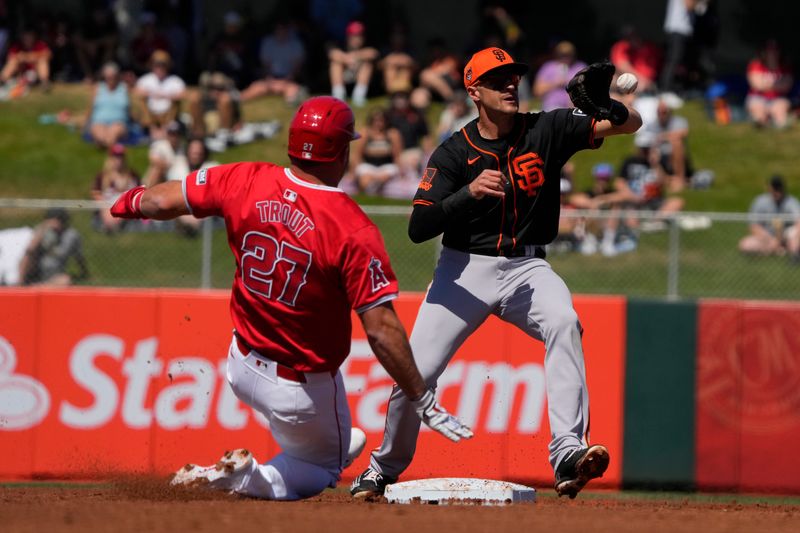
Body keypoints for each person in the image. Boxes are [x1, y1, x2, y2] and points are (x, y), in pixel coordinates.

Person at [109, 96, 472, 500]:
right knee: (323, 467)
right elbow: (382, 331)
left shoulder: (245, 177)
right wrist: (420, 396)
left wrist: (129, 202)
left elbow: (159, 200)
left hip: (241, 363)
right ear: (341, 150)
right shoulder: (351, 226)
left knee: (341, 439)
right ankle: (234, 477)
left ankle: (298, 449)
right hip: (299, 387)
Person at [350, 47, 642, 500]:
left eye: (513, 77)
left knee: (564, 322)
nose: (510, 85)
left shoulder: (545, 127)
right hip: (463, 269)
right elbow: (417, 227)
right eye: (497, 79)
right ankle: (382, 468)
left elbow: (629, 125)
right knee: (416, 373)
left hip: (527, 267)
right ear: (474, 91)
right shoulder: (453, 153)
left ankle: (567, 451)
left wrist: (613, 107)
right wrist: (467, 195)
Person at [241, 21, 307, 105]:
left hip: (289, 80)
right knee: (255, 88)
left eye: (283, 29)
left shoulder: (296, 44)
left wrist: (286, 81)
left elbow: (297, 67)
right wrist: (270, 79)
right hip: (271, 79)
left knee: (293, 96)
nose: (281, 31)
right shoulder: (268, 42)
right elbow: (265, 65)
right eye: (279, 29)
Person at [19, 208, 88, 286]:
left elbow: (79, 257)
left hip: (55, 274)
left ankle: (36, 287)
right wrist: (41, 233)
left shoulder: (71, 235)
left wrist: (84, 272)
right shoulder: (41, 231)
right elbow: (30, 250)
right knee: (27, 257)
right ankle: (20, 284)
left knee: (65, 280)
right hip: (36, 271)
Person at [738, 175, 800, 261]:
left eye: (779, 189)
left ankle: (794, 254)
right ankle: (779, 251)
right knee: (745, 244)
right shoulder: (760, 201)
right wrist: (771, 240)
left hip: (786, 236)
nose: (777, 192)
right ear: (769, 188)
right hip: (768, 237)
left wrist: (789, 238)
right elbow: (754, 226)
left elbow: (798, 221)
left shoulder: (791, 201)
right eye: (774, 189)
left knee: (795, 233)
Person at [134, 50, 186, 139]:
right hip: (150, 114)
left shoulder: (175, 80)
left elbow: (183, 94)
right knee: (141, 101)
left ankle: (164, 131)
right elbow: (136, 92)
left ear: (168, 66)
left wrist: (165, 96)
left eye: (163, 65)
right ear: (152, 65)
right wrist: (152, 94)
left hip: (168, 113)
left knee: (175, 103)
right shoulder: (146, 79)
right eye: (157, 65)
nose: (160, 68)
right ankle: (153, 130)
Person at [91, 143, 141, 233]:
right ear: (111, 158)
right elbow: (96, 193)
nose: (119, 160)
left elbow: (140, 194)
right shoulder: (103, 176)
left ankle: (115, 226)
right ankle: (110, 226)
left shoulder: (133, 175)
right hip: (108, 206)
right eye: (116, 156)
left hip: (127, 206)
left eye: (121, 156)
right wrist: (105, 208)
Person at [351, 108, 402, 195]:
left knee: (385, 176)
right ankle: (370, 191)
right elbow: (357, 154)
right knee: (365, 180)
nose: (378, 123)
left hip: (387, 166)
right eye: (375, 120)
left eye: (381, 120)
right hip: (368, 166)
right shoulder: (365, 133)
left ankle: (376, 190)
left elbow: (397, 155)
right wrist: (354, 172)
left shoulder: (392, 134)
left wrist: (400, 171)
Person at [328, 21, 378, 107]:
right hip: (344, 76)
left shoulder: (368, 45)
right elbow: (332, 54)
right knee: (335, 64)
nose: (356, 39)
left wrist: (355, 56)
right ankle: (338, 96)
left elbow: (373, 53)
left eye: (359, 36)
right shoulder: (341, 46)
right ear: (348, 37)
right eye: (353, 36)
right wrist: (347, 59)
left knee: (367, 65)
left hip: (360, 78)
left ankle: (359, 97)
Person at [746, 40, 793, 129]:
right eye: (769, 51)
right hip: (757, 97)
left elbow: (787, 86)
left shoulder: (785, 66)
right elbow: (756, 85)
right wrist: (776, 85)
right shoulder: (756, 65)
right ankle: (760, 122)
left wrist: (766, 84)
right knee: (758, 109)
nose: (772, 54)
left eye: (775, 51)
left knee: (780, 109)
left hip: (778, 98)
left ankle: (780, 125)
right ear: (764, 52)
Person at [532, 41, 586, 112]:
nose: (565, 57)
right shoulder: (548, 67)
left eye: (568, 54)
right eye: (562, 54)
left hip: (573, 109)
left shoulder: (580, 67)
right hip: (551, 108)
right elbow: (537, 91)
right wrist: (555, 83)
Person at [86, 62, 130, 149]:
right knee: (100, 135)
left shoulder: (124, 88)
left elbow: (133, 105)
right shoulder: (98, 88)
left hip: (119, 122)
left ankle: (109, 148)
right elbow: (91, 108)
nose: (111, 79)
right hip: (99, 121)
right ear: (105, 77)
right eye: (108, 77)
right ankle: (106, 144)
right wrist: (86, 123)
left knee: (113, 134)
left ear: (117, 76)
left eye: (113, 76)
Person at [187, 71, 241, 138]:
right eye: (212, 88)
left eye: (220, 88)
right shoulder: (202, 98)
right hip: (204, 126)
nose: (216, 91)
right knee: (194, 98)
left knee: (225, 99)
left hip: (222, 128)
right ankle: (199, 135)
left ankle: (224, 134)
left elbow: (238, 119)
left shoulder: (229, 98)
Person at [143, 120, 185, 187]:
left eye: (177, 134)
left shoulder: (183, 147)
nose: (174, 137)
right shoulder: (160, 145)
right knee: (157, 170)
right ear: (167, 134)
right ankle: (146, 191)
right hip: (164, 175)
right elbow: (153, 159)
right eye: (171, 133)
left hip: (176, 175)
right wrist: (168, 164)